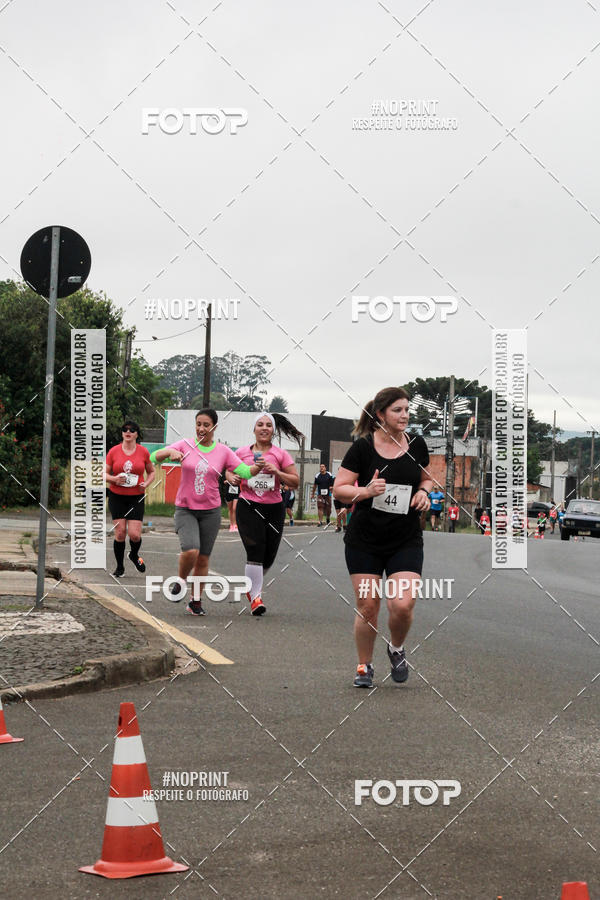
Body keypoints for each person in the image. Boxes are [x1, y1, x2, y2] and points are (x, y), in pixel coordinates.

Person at [333, 387, 432, 689]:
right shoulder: (362, 448)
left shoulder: (417, 445)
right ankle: (364, 666)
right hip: (365, 540)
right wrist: (366, 491)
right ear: (380, 415)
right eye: (397, 410)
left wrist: (424, 492)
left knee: (402, 605)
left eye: (406, 410)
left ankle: (397, 649)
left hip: (405, 538)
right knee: (368, 606)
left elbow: (427, 477)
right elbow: (340, 488)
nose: (405, 415)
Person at [152, 409, 262, 615]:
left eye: (206, 425)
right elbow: (153, 457)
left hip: (210, 511)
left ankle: (195, 601)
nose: (201, 428)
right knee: (191, 550)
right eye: (198, 424)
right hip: (185, 508)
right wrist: (169, 452)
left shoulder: (223, 451)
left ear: (214, 427)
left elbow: (244, 472)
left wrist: (258, 467)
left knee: (203, 558)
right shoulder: (184, 445)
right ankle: (182, 580)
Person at [226, 413, 302, 616]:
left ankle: (252, 588)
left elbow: (295, 481)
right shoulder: (242, 452)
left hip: (274, 508)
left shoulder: (280, 454)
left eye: (269, 425)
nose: (264, 428)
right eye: (260, 424)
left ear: (273, 431)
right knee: (255, 550)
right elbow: (228, 470)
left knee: (268, 557)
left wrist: (277, 472)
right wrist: (232, 476)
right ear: (254, 429)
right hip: (248, 506)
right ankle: (256, 598)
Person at [105, 421, 155, 577]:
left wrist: (145, 484)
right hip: (117, 496)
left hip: (136, 498)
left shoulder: (143, 452)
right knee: (120, 533)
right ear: (122, 433)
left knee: (134, 535)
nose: (128, 432)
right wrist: (113, 479)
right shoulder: (113, 451)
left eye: (132, 430)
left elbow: (151, 472)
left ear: (136, 434)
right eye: (125, 430)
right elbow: (103, 473)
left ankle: (134, 554)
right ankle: (120, 568)